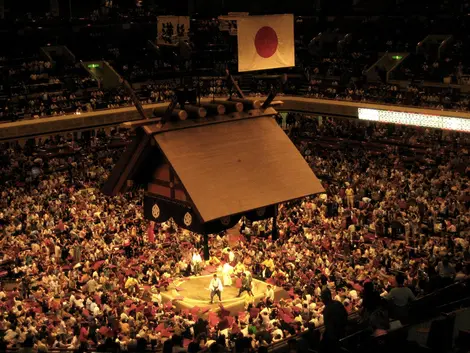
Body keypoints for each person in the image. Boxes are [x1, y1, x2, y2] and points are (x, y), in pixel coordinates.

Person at [320, 289, 348, 353]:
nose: (322, 300)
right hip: (343, 330)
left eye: (322, 298)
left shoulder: (327, 310)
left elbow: (329, 327)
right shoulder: (338, 303)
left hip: (336, 337)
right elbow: (345, 315)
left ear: (326, 297)